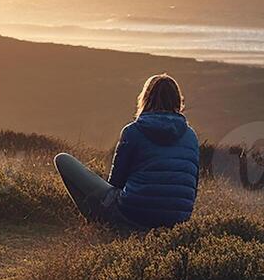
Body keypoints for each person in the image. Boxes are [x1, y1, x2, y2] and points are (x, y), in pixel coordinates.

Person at [53, 73, 200, 231]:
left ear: (144, 98)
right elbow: (192, 185)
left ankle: (97, 223)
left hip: (133, 214)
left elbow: (116, 182)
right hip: (176, 221)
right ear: (178, 101)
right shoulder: (191, 136)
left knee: (62, 159)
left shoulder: (133, 131)